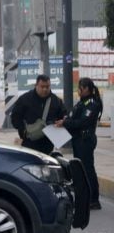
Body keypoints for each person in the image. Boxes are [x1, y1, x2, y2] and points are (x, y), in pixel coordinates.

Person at [55, 77, 103, 210]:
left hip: (85, 141)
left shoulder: (93, 103)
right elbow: (73, 117)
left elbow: (83, 122)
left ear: (86, 89)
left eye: (80, 89)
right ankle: (84, 199)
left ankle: (93, 199)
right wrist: (65, 120)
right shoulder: (82, 102)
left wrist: (66, 122)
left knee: (87, 170)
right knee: (81, 170)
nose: (78, 91)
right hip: (78, 140)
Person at [10, 74, 67, 155]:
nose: (45, 89)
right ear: (36, 85)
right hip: (29, 142)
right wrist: (23, 131)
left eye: (47, 86)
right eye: (42, 86)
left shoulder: (56, 101)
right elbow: (15, 117)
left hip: (47, 143)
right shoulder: (25, 99)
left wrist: (62, 122)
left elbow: (63, 116)